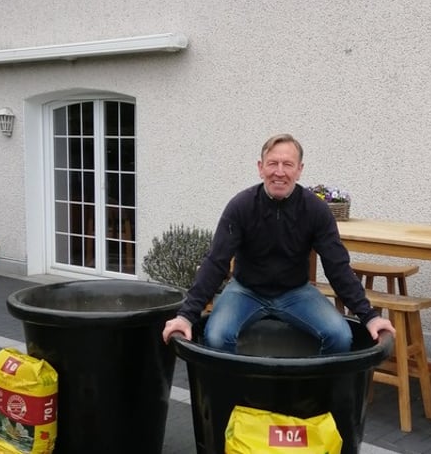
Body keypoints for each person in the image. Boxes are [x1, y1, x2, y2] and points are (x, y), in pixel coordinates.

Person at [161, 133, 395, 354]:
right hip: (245, 291)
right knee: (217, 336)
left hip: (296, 292)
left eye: (288, 164)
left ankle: (310, 385)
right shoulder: (241, 207)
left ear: (299, 170)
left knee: (340, 336)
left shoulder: (316, 210)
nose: (279, 172)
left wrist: (369, 316)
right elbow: (216, 261)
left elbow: (337, 267)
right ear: (260, 168)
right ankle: (239, 385)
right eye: (272, 163)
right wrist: (186, 316)